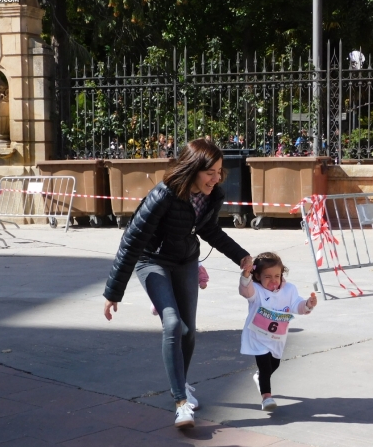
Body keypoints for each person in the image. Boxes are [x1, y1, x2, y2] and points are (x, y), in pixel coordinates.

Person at [103, 139, 252, 429]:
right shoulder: (163, 195)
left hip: (186, 261)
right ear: (194, 169)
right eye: (211, 172)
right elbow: (131, 241)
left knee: (188, 330)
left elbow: (209, 229)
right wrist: (113, 292)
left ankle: (180, 381)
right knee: (172, 323)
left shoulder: (212, 195)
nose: (217, 178)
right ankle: (181, 402)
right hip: (152, 262)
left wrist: (241, 256)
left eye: (220, 172)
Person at [239, 252, 317, 411]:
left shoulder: (289, 290)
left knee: (274, 364)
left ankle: (260, 377)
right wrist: (246, 274)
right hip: (257, 336)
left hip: (276, 337)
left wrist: (308, 304)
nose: (273, 280)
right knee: (265, 367)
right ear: (258, 276)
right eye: (267, 277)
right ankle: (266, 397)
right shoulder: (256, 291)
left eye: (277, 275)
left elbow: (297, 306)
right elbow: (245, 291)